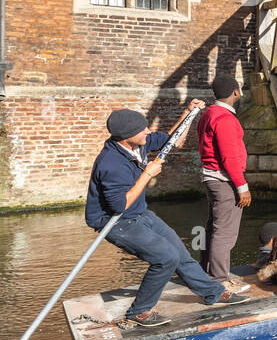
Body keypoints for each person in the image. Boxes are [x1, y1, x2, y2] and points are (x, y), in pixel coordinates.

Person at [85, 104, 250, 327]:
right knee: (165, 258)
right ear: (126, 136)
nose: (147, 132)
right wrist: (147, 174)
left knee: (179, 251)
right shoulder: (111, 164)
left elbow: (172, 141)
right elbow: (119, 206)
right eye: (142, 129)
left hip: (140, 212)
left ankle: (212, 292)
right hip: (115, 222)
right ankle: (139, 312)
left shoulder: (137, 144)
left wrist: (187, 114)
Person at [197, 73, 250, 286]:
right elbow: (229, 157)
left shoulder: (209, 113)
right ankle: (219, 279)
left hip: (211, 178)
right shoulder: (225, 118)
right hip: (224, 180)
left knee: (214, 227)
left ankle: (205, 272)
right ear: (235, 92)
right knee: (225, 232)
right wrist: (242, 186)